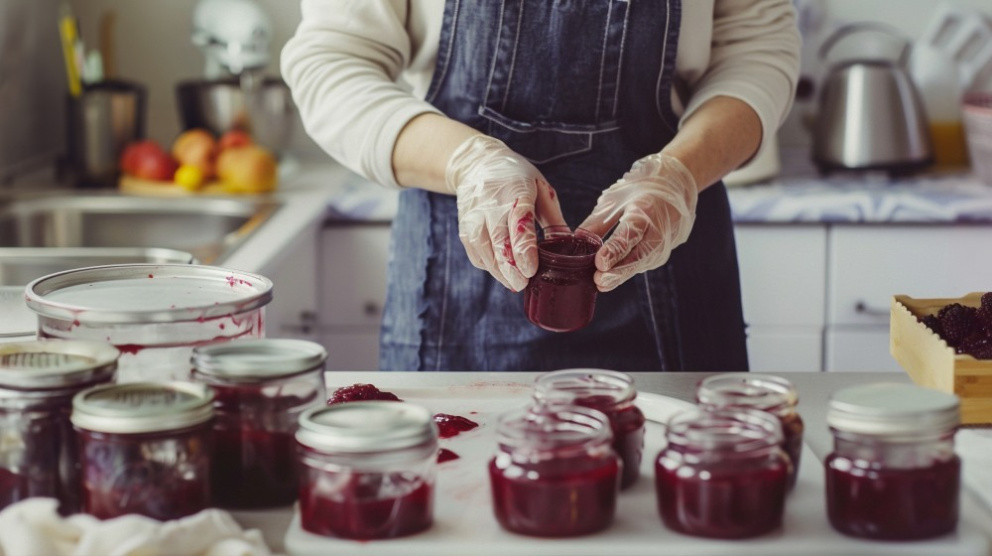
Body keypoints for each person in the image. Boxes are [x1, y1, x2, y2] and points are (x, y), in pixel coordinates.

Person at [282, 0, 801, 373]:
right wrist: (469, 161)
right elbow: (332, 62)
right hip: (457, 281)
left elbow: (756, 50)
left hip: (671, 266)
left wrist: (680, 174)